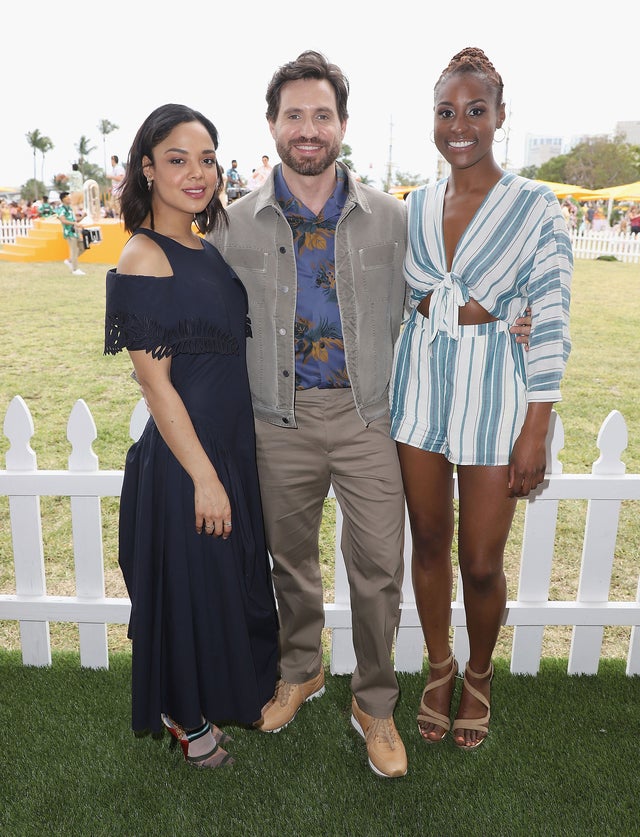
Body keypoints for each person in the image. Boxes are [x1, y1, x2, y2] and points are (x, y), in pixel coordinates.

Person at [208, 50, 532, 778]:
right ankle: (301, 670)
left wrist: (521, 314)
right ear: (273, 125)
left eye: (322, 114)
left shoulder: (396, 217)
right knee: (290, 562)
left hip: (369, 418)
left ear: (342, 124)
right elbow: (202, 309)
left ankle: (375, 705)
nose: (309, 128)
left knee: (379, 568)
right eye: (294, 114)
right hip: (276, 420)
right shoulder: (234, 225)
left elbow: (453, 278)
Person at [389, 47, 572, 750]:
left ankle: (480, 671)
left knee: (482, 560)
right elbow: (404, 294)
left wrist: (538, 428)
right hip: (422, 391)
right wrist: (462, 305)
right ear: (433, 120)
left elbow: (551, 311)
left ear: (499, 116)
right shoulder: (415, 205)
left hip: (498, 393)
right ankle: (439, 668)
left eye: (474, 109)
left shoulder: (535, 205)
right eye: (446, 110)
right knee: (429, 540)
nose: (459, 124)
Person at [103, 103, 279, 770]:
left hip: (225, 445)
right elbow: (155, 383)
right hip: (188, 456)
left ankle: (203, 700)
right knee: (189, 588)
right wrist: (204, 475)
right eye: (177, 159)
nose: (196, 172)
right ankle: (183, 713)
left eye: (206, 158)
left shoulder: (202, 247)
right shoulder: (144, 256)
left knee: (217, 586)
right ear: (146, 168)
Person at [56, 191, 85, 275]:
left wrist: (83, 217)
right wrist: (74, 223)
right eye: (67, 198)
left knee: (83, 246)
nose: (69, 199)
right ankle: (75, 269)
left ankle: (70, 261)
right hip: (69, 232)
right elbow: (63, 220)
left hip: (75, 232)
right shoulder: (61, 209)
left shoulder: (70, 208)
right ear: (63, 199)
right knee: (74, 250)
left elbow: (74, 220)